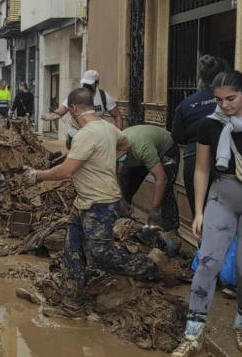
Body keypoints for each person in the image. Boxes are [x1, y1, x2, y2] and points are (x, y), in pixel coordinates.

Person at [21, 88, 166, 316]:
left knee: (99, 254)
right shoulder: (109, 127)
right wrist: (105, 158)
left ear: (73, 109)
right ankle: (72, 305)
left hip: (101, 204)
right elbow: (125, 145)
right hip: (83, 202)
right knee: (72, 251)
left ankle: (152, 266)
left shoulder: (86, 134)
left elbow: (68, 170)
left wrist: (37, 175)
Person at [172, 70, 242, 356]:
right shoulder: (210, 125)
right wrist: (198, 211)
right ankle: (192, 333)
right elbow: (201, 168)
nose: (224, 105)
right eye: (219, 100)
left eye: (230, 98)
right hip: (221, 196)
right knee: (207, 265)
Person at [170, 55, 229, 216]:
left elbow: (177, 137)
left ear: (200, 78)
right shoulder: (229, 101)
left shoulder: (186, 104)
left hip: (194, 159)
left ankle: (203, 241)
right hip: (225, 159)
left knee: (200, 214)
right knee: (225, 214)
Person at [118, 125, 180, 231]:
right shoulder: (112, 147)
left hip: (166, 150)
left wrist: (155, 209)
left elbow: (161, 179)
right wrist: (121, 199)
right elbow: (113, 175)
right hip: (138, 150)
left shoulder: (143, 149)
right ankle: (122, 224)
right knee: (124, 184)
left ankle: (170, 231)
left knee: (165, 191)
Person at [43, 70, 123, 149]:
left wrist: (116, 138)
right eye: (85, 83)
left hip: (97, 136)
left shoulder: (103, 96)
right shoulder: (76, 95)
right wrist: (51, 115)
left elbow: (118, 117)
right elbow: (61, 111)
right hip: (77, 135)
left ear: (97, 83)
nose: (86, 86)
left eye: (90, 84)